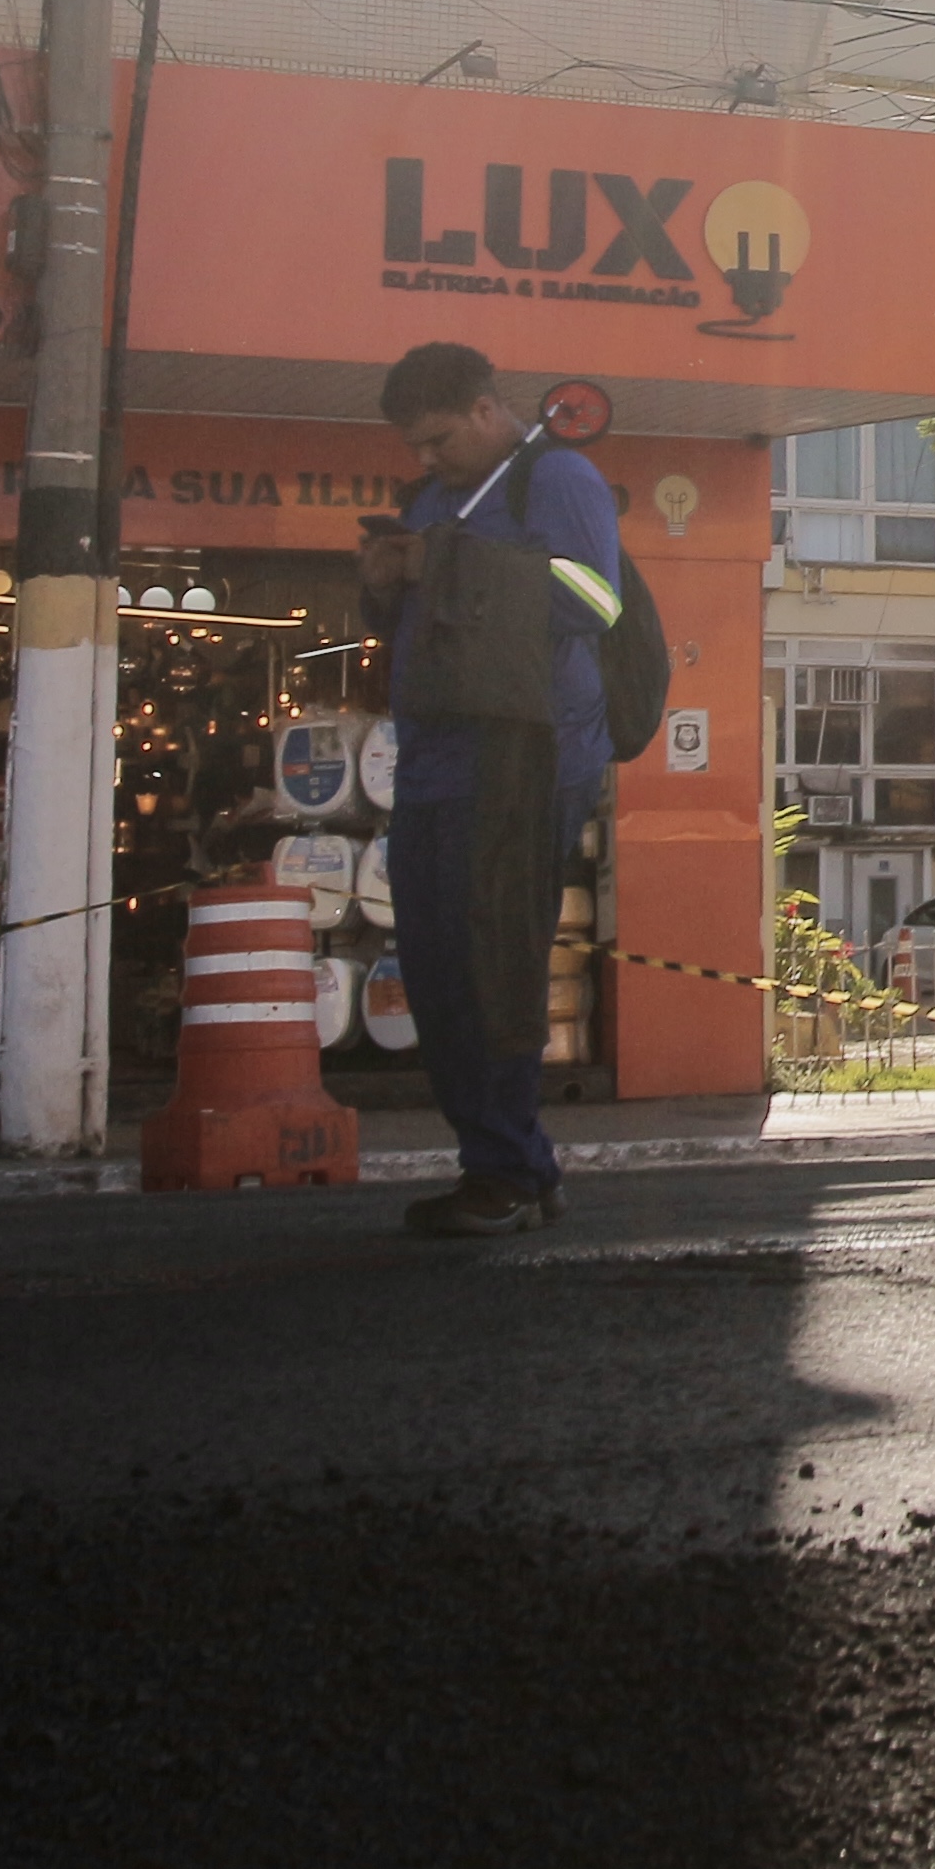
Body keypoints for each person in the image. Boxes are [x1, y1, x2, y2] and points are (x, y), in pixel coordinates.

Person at [360, 345, 621, 1238]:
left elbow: (594, 599)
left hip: (523, 762)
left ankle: (505, 1170)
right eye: (414, 449)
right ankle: (508, 1164)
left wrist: (443, 566)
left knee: (493, 967)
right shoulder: (434, 498)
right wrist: (386, 576)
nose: (424, 463)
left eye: (436, 441)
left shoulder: (559, 478)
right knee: (436, 972)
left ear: (482, 409)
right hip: (433, 761)